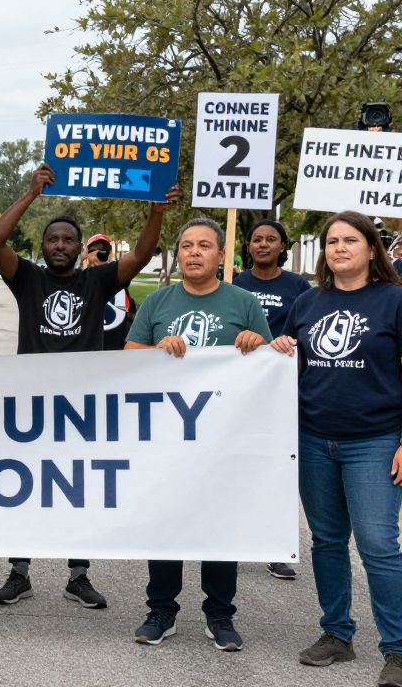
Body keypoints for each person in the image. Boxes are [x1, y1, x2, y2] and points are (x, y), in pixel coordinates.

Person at [0, 162, 178, 609]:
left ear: (79, 247)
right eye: (52, 239)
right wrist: (31, 192)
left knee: (79, 489)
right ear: (42, 246)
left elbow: (142, 256)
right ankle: (19, 571)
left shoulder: (97, 282)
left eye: (67, 239)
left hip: (81, 406)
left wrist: (155, 212)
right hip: (31, 405)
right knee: (26, 487)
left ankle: (78, 574)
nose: (59, 245)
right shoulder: (27, 279)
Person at [126, 216, 271, 652]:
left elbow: (269, 363)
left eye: (204, 246)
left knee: (218, 525)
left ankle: (220, 615)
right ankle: (162, 610)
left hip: (223, 437)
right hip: (166, 435)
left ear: (221, 255)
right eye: (187, 245)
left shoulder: (243, 302)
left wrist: (254, 342)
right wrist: (158, 351)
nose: (193, 252)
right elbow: (128, 357)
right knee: (166, 521)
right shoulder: (157, 302)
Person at [270, 211, 402, 687]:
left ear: (371, 249)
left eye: (350, 240)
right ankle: (337, 634)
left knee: (378, 545)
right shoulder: (307, 303)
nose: (339, 248)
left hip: (375, 440)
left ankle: (398, 648)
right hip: (312, 439)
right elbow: (282, 359)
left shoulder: (394, 301)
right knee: (326, 542)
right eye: (331, 241)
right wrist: (280, 345)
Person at [232, 219, 311, 581]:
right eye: (257, 240)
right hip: (238, 387)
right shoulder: (234, 283)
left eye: (271, 240)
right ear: (248, 246)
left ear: (283, 246)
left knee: (277, 467)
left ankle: (275, 545)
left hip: (281, 389)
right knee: (237, 462)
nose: (263, 245)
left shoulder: (299, 287)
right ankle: (231, 538)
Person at [82, 233, 138, 351]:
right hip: (87, 354)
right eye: (95, 248)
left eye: (104, 249)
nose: (100, 252)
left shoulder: (119, 280)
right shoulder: (79, 280)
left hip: (116, 352)